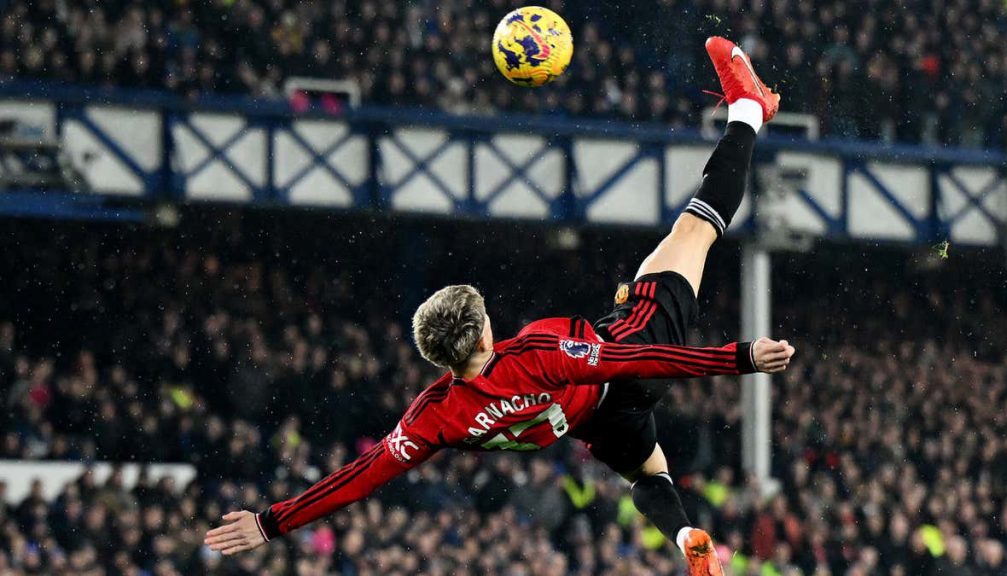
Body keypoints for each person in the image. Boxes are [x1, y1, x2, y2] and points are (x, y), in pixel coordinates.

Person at [204, 36, 786, 576]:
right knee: (698, 225)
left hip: (592, 422)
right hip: (630, 355)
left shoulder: (436, 416)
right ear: (484, 332)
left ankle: (684, 535)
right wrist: (742, 358)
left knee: (648, 471)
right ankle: (749, 109)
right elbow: (628, 363)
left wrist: (269, 522)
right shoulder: (535, 352)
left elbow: (359, 478)